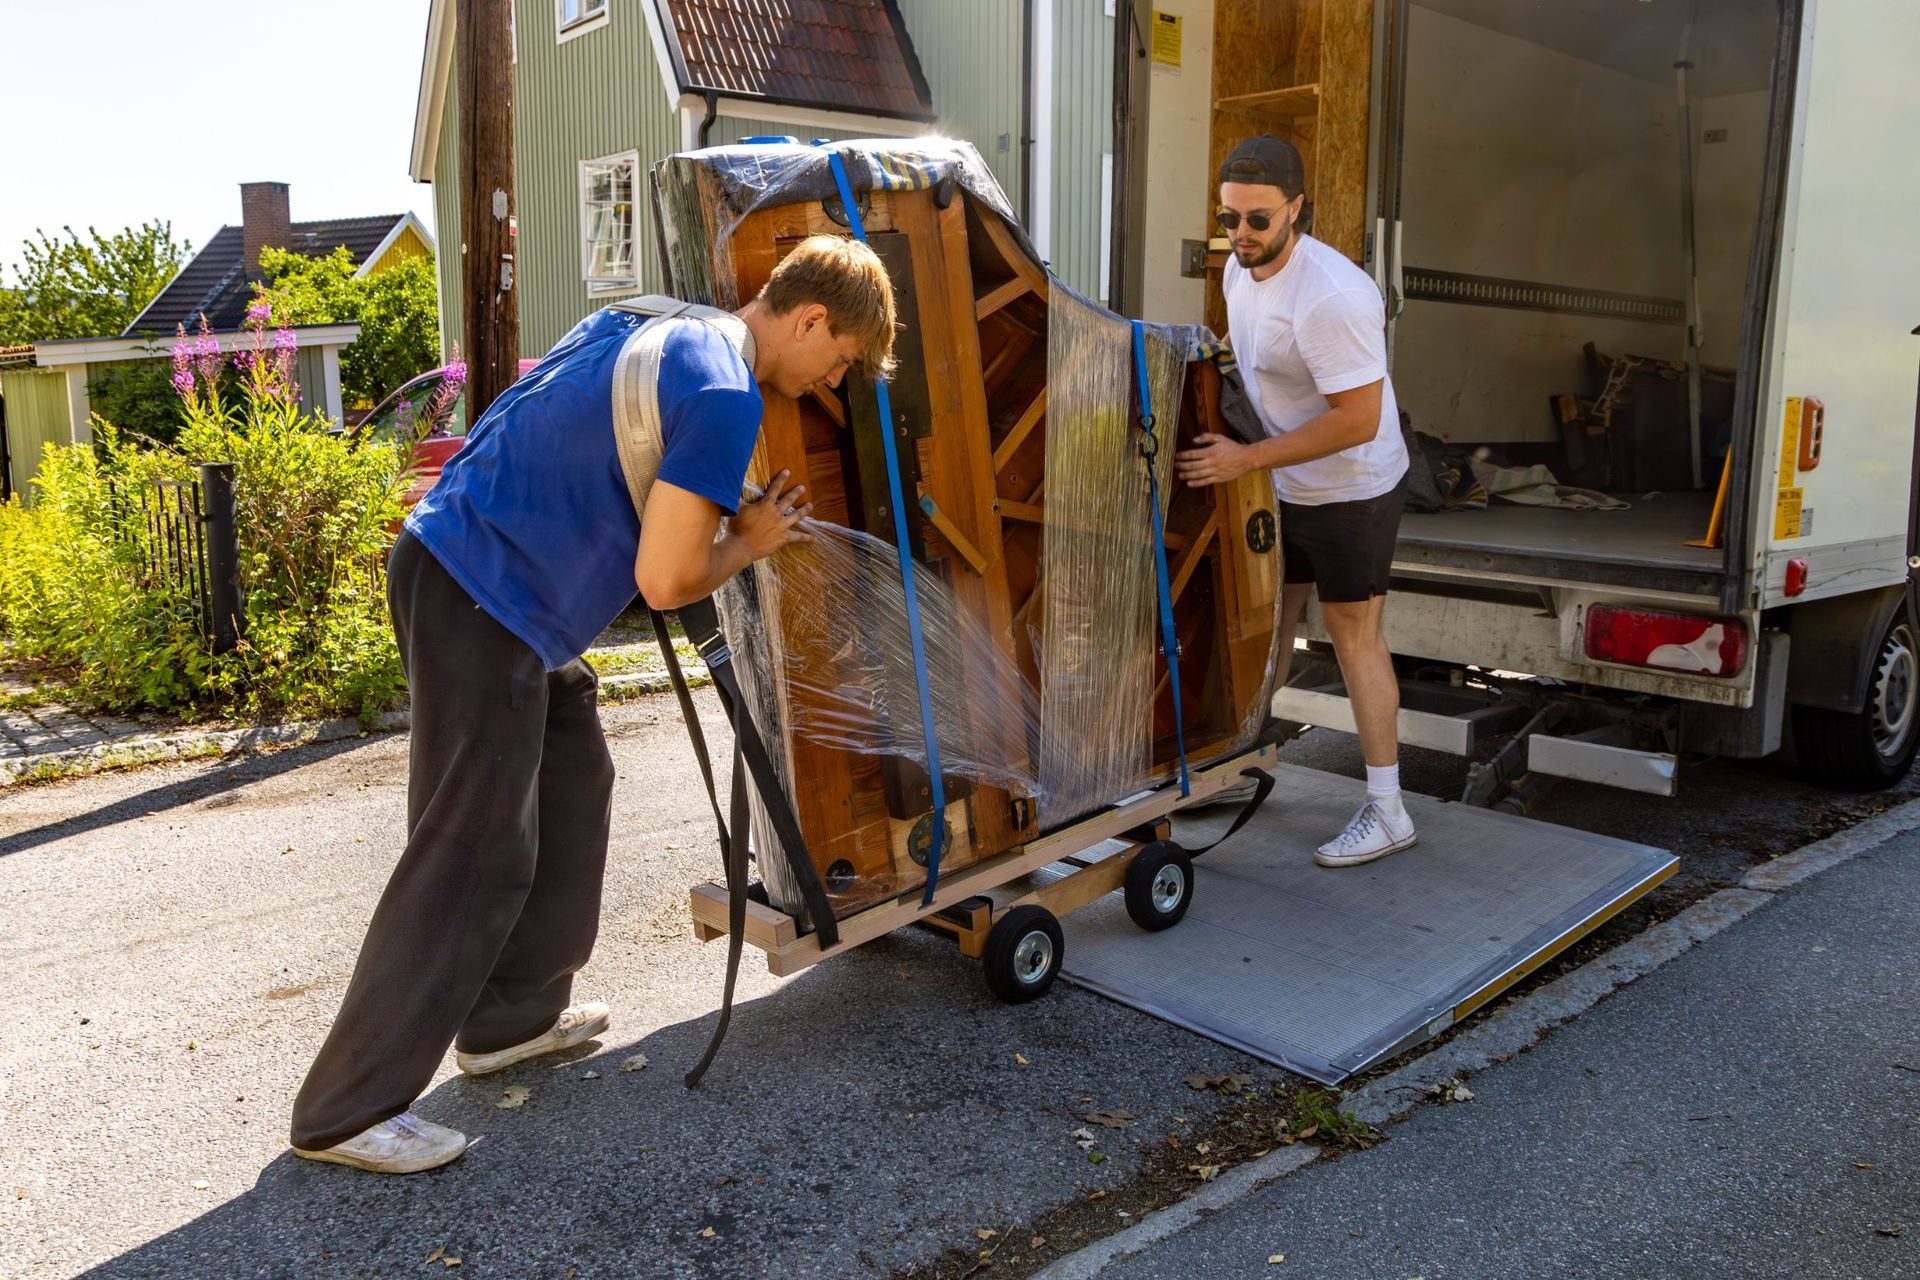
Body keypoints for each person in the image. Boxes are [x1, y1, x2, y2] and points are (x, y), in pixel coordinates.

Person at [289, 235, 898, 1174]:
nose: (831, 380)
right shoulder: (729, 394)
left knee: (575, 774)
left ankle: (510, 1022)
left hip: (474, 576)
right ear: (812, 319)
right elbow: (666, 579)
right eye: (842, 359)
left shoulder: (661, 319)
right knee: (472, 847)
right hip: (483, 593)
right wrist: (753, 539)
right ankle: (346, 1109)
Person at [1174, 135, 1414, 869]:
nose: (1241, 236)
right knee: (1270, 622)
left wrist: (1244, 458)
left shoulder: (1334, 296)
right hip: (1287, 480)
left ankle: (1388, 809)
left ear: (1297, 209)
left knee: (1352, 636)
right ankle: (1245, 761)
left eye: (1258, 220)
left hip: (1352, 490)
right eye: (1229, 219)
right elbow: (1253, 351)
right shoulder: (1241, 271)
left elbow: (1358, 420)